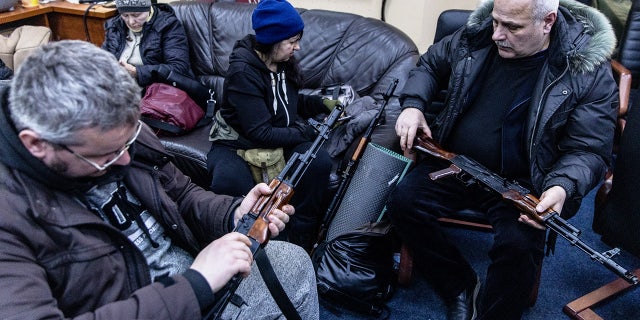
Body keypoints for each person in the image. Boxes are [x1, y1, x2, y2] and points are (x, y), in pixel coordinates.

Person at [0, 40, 318, 320]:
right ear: (37, 144)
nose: (125, 160)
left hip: (195, 276)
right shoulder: (10, 214)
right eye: (107, 155)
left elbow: (181, 194)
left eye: (129, 141)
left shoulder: (122, 135)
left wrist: (234, 212)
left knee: (292, 260)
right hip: (161, 300)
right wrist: (195, 286)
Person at [387, 0, 618, 319]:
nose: (497, 34)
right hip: (456, 164)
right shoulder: (476, 34)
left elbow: (589, 148)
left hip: (525, 182)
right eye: (496, 21)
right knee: (402, 203)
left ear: (548, 22)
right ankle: (459, 284)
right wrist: (413, 105)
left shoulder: (586, 70)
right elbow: (429, 66)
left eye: (512, 27)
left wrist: (562, 187)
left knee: (520, 245)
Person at [207, 0, 335, 251]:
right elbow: (259, 132)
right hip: (238, 142)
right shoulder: (243, 71)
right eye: (291, 41)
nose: (297, 47)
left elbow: (289, 103)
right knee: (229, 180)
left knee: (318, 162)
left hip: (276, 132)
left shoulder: (283, 62)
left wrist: (321, 104)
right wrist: (306, 131)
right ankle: (245, 247)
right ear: (271, 41)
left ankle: (301, 236)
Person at [102, 0, 194, 87]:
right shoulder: (115, 26)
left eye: (136, 15)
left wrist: (137, 72)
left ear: (148, 8)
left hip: (157, 90)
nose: (131, 22)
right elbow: (102, 60)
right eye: (125, 15)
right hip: (119, 87)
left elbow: (179, 68)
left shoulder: (168, 25)